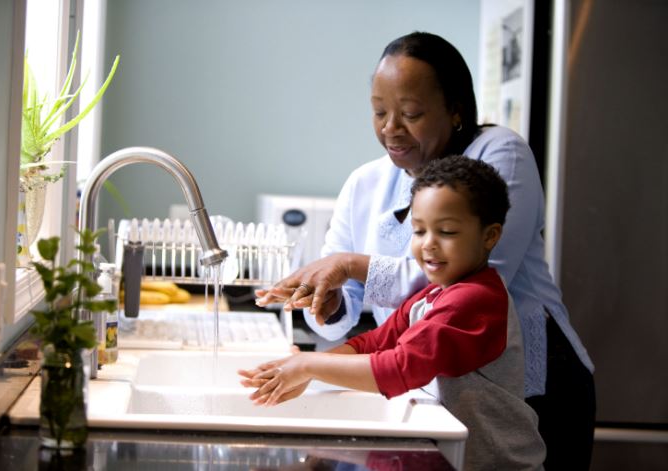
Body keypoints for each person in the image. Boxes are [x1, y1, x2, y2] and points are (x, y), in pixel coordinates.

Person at [254, 32, 595, 469]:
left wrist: (349, 268)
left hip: (531, 388)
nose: (390, 128)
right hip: (432, 392)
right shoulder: (365, 183)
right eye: (379, 112)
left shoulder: (498, 154)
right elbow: (371, 331)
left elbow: (456, 282)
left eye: (410, 113)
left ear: (455, 110)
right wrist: (326, 301)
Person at [242, 156, 546, 470]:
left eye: (447, 232)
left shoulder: (476, 300)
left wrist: (309, 365)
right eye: (418, 230)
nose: (428, 244)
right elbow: (374, 343)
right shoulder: (433, 293)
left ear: (490, 236)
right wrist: (305, 368)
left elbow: (399, 368)